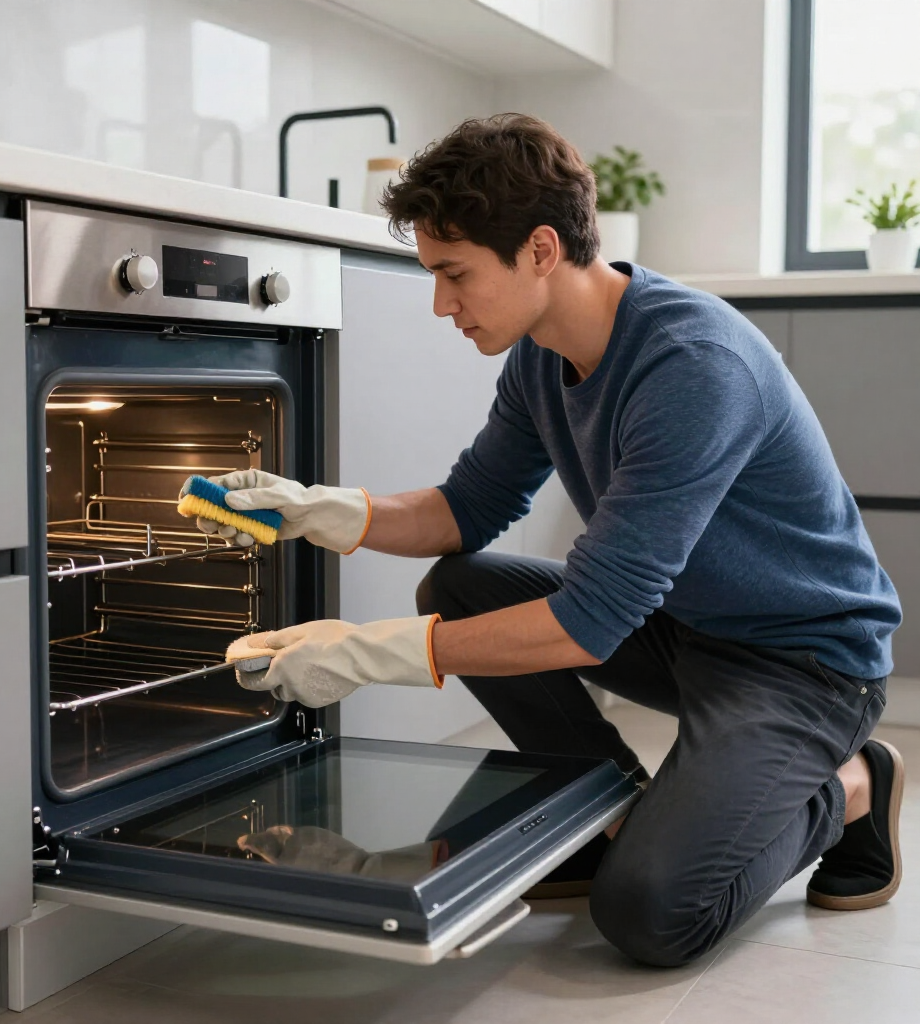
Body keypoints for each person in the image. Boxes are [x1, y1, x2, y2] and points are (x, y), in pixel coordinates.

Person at [210, 114, 904, 968]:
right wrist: (327, 510)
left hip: (803, 662)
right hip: (684, 629)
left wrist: (363, 654)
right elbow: (466, 510)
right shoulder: (541, 357)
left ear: (540, 250)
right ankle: (611, 805)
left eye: (454, 274)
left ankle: (856, 785)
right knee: (457, 586)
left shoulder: (692, 366)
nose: (440, 304)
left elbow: (590, 620)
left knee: (651, 913)